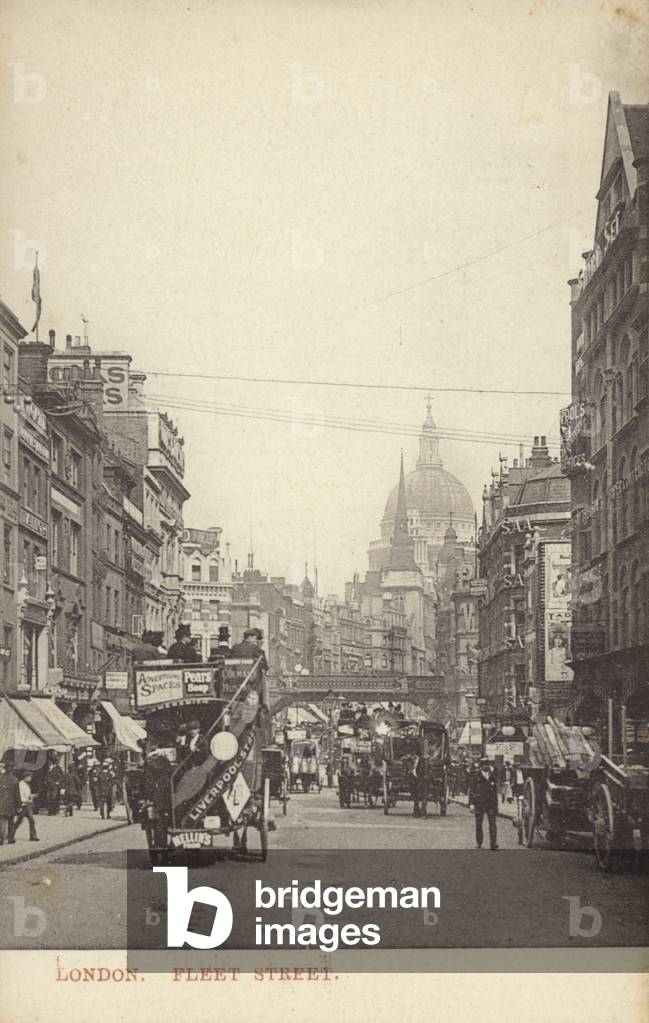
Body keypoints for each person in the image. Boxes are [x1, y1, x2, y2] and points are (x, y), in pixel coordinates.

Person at [468, 757, 499, 850]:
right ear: (481, 767)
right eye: (483, 765)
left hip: (491, 804)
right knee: (478, 824)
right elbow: (472, 790)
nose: (485, 767)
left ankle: (493, 844)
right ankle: (479, 842)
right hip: (479, 803)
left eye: (487, 765)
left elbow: (495, 792)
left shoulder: (492, 776)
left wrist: (496, 805)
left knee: (493, 824)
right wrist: (471, 804)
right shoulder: (476, 776)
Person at [11, 773, 39, 842]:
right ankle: (10, 835)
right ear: (25, 777)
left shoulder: (26, 784)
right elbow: (22, 795)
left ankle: (33, 836)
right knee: (19, 821)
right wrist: (32, 796)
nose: (30, 778)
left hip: (27, 805)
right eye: (29, 777)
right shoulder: (21, 784)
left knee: (30, 820)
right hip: (24, 805)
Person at [0, 762, 20, 845]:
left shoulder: (0, 778)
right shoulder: (15, 780)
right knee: (11, 821)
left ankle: (1, 839)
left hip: (1, 803)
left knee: (2, 821)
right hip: (12, 804)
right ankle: (10, 838)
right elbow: (17, 794)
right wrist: (19, 805)